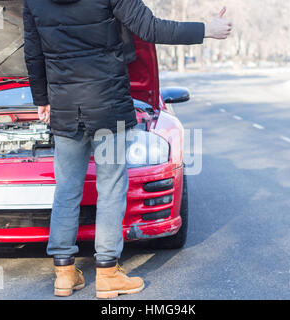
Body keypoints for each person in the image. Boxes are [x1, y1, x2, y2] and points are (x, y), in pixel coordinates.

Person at [23, 0, 232, 299]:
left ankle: (64, 274)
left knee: (66, 189)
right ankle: (108, 274)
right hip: (107, 106)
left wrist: (41, 98)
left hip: (65, 107)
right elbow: (150, 27)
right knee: (110, 188)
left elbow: (33, 53)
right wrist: (205, 30)